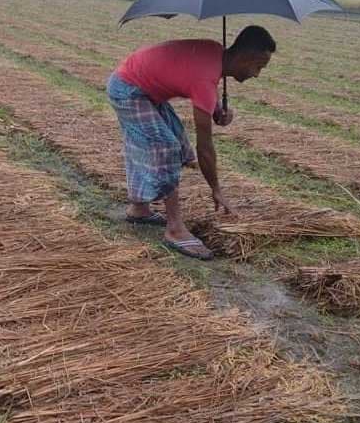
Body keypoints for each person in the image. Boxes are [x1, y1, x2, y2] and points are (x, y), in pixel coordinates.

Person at [106, 25, 276, 260]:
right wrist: (216, 189)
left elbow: (193, 74)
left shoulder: (216, 54)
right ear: (245, 57)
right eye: (258, 66)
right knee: (166, 148)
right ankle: (175, 229)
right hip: (127, 88)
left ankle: (139, 209)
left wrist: (216, 108)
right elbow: (205, 147)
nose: (257, 74)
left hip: (144, 87)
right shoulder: (205, 79)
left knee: (171, 137)